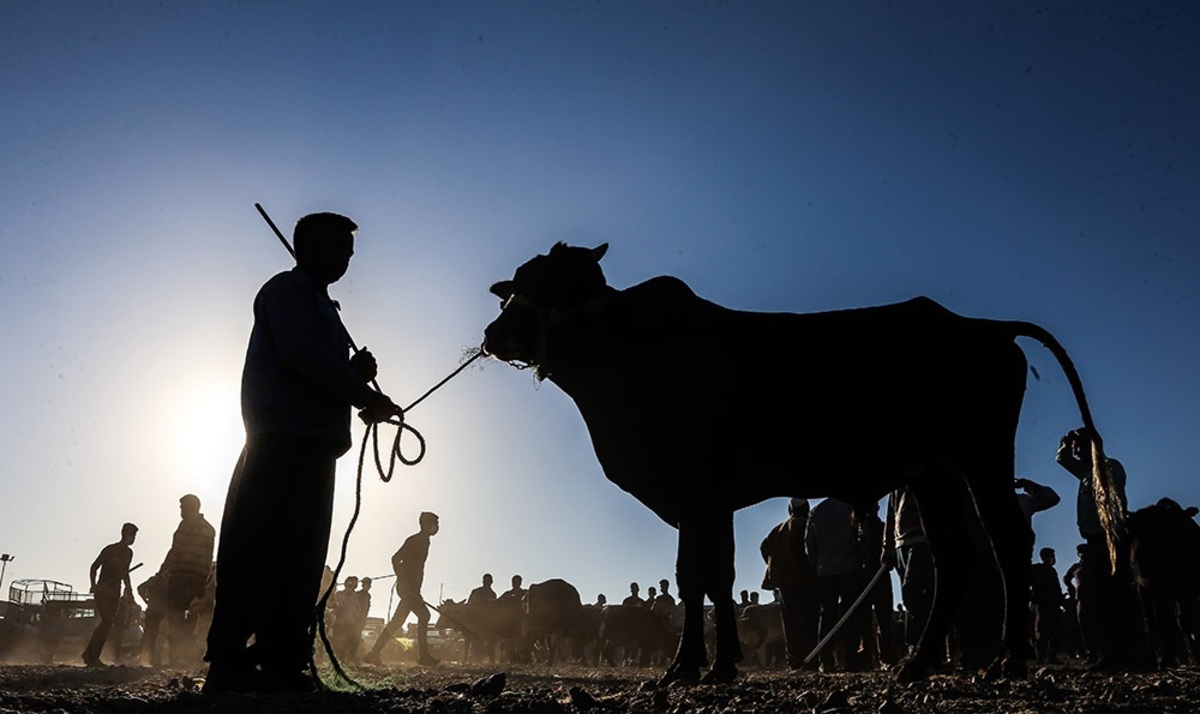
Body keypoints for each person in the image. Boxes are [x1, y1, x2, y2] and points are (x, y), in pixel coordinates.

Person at [204, 212, 402, 694]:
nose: (345, 258)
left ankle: (281, 662)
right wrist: (362, 392)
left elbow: (316, 365)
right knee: (260, 549)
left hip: (315, 446)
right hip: (281, 440)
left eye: (349, 252)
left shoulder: (321, 306)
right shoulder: (287, 292)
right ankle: (229, 662)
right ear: (306, 247)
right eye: (336, 247)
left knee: (301, 558)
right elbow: (303, 357)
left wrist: (351, 371)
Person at [1055, 427, 1150, 670]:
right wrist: (1067, 442)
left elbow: (1109, 492)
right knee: (1100, 598)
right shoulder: (1085, 471)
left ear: (1093, 448)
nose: (1077, 456)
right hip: (1094, 541)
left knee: (1114, 597)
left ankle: (1127, 653)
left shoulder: (1110, 468)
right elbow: (1061, 459)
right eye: (1076, 452)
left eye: (1080, 450)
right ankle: (1114, 653)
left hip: (1111, 538)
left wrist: (1091, 447)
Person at [365, 511, 440, 666]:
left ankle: (373, 653)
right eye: (434, 523)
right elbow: (395, 558)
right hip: (408, 588)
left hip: (412, 589)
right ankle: (424, 656)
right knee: (424, 615)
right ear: (425, 524)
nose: (437, 527)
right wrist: (403, 581)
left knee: (397, 622)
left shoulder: (425, 541)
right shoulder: (414, 540)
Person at [806, 498, 871, 672]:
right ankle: (851, 659)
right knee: (850, 614)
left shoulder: (816, 511)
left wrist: (817, 565)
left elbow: (809, 543)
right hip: (850, 569)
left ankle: (826, 660)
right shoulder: (850, 506)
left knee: (827, 614)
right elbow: (863, 535)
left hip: (825, 571)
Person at [759, 498, 819, 670]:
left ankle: (795, 661)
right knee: (810, 621)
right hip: (807, 581)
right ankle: (811, 659)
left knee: (791, 623)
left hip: (786, 584)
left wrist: (775, 566)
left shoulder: (778, 529)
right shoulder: (808, 525)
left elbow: (764, 548)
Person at [161, 494, 215, 667]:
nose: (181, 511)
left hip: (182, 576)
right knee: (191, 617)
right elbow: (209, 556)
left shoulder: (187, 524)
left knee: (175, 614)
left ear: (190, 507)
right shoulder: (209, 529)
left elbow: (176, 549)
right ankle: (187, 655)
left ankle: (176, 656)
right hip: (199, 578)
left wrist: (162, 570)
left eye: (182, 507)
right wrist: (204, 580)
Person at [884, 488, 933, 659]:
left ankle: (919, 647)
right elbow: (891, 511)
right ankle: (917, 647)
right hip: (901, 544)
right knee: (909, 595)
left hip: (921, 539)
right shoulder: (895, 485)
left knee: (914, 592)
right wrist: (888, 545)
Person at [82, 522, 138, 667]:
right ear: (126, 534)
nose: (134, 539)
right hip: (103, 591)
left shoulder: (128, 553)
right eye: (133, 535)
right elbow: (94, 567)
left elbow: (125, 574)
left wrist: (130, 592)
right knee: (107, 621)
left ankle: (92, 655)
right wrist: (93, 585)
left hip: (115, 593)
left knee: (108, 623)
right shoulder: (110, 549)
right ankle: (90, 655)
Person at [1030, 547, 1064, 664]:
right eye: (1051, 555)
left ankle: (1052, 657)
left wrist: (1061, 601)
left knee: (1056, 632)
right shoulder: (1036, 569)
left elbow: (1057, 588)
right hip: (1043, 605)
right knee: (1042, 632)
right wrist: (1033, 598)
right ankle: (1041, 657)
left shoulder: (1052, 571)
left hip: (1054, 605)